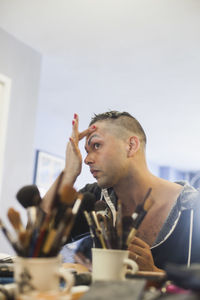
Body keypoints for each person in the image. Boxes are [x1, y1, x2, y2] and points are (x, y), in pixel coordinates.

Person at [42, 111, 200, 272]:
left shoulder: (194, 208)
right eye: (87, 150)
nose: (87, 159)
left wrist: (155, 274)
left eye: (96, 145)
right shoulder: (96, 197)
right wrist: (68, 174)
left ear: (131, 146)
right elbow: (39, 242)